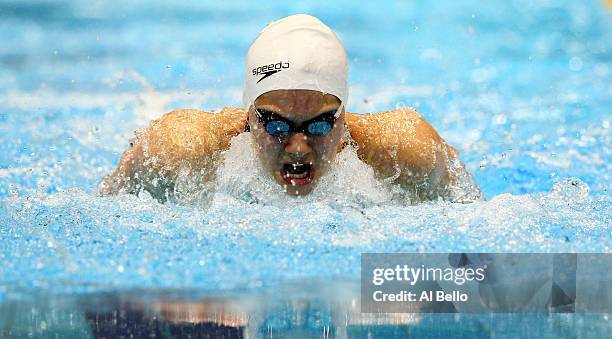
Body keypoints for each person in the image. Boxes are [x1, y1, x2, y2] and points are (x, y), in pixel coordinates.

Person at [99, 14, 481, 202]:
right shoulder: (179, 151)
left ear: (343, 120)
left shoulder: (408, 152)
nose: (298, 148)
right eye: (277, 125)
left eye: (318, 125)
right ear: (248, 117)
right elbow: (107, 207)